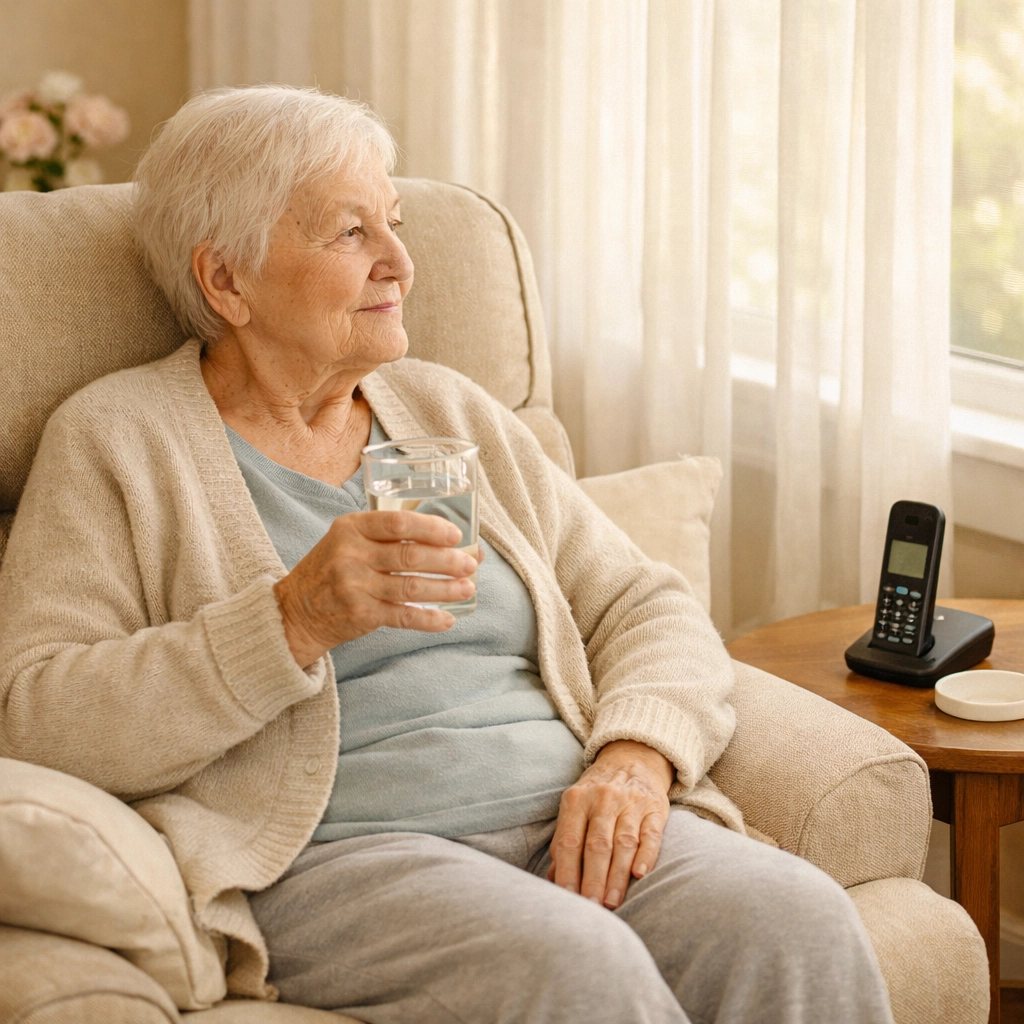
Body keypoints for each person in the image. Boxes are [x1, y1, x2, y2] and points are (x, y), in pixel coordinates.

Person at [0, 86, 893, 1024]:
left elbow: (641, 601)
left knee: (798, 919)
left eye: (394, 222)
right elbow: (36, 715)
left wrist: (634, 757)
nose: (401, 263)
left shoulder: (445, 409)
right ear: (227, 281)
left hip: (564, 813)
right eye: (352, 234)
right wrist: (290, 620)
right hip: (344, 856)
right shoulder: (120, 441)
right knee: (577, 971)